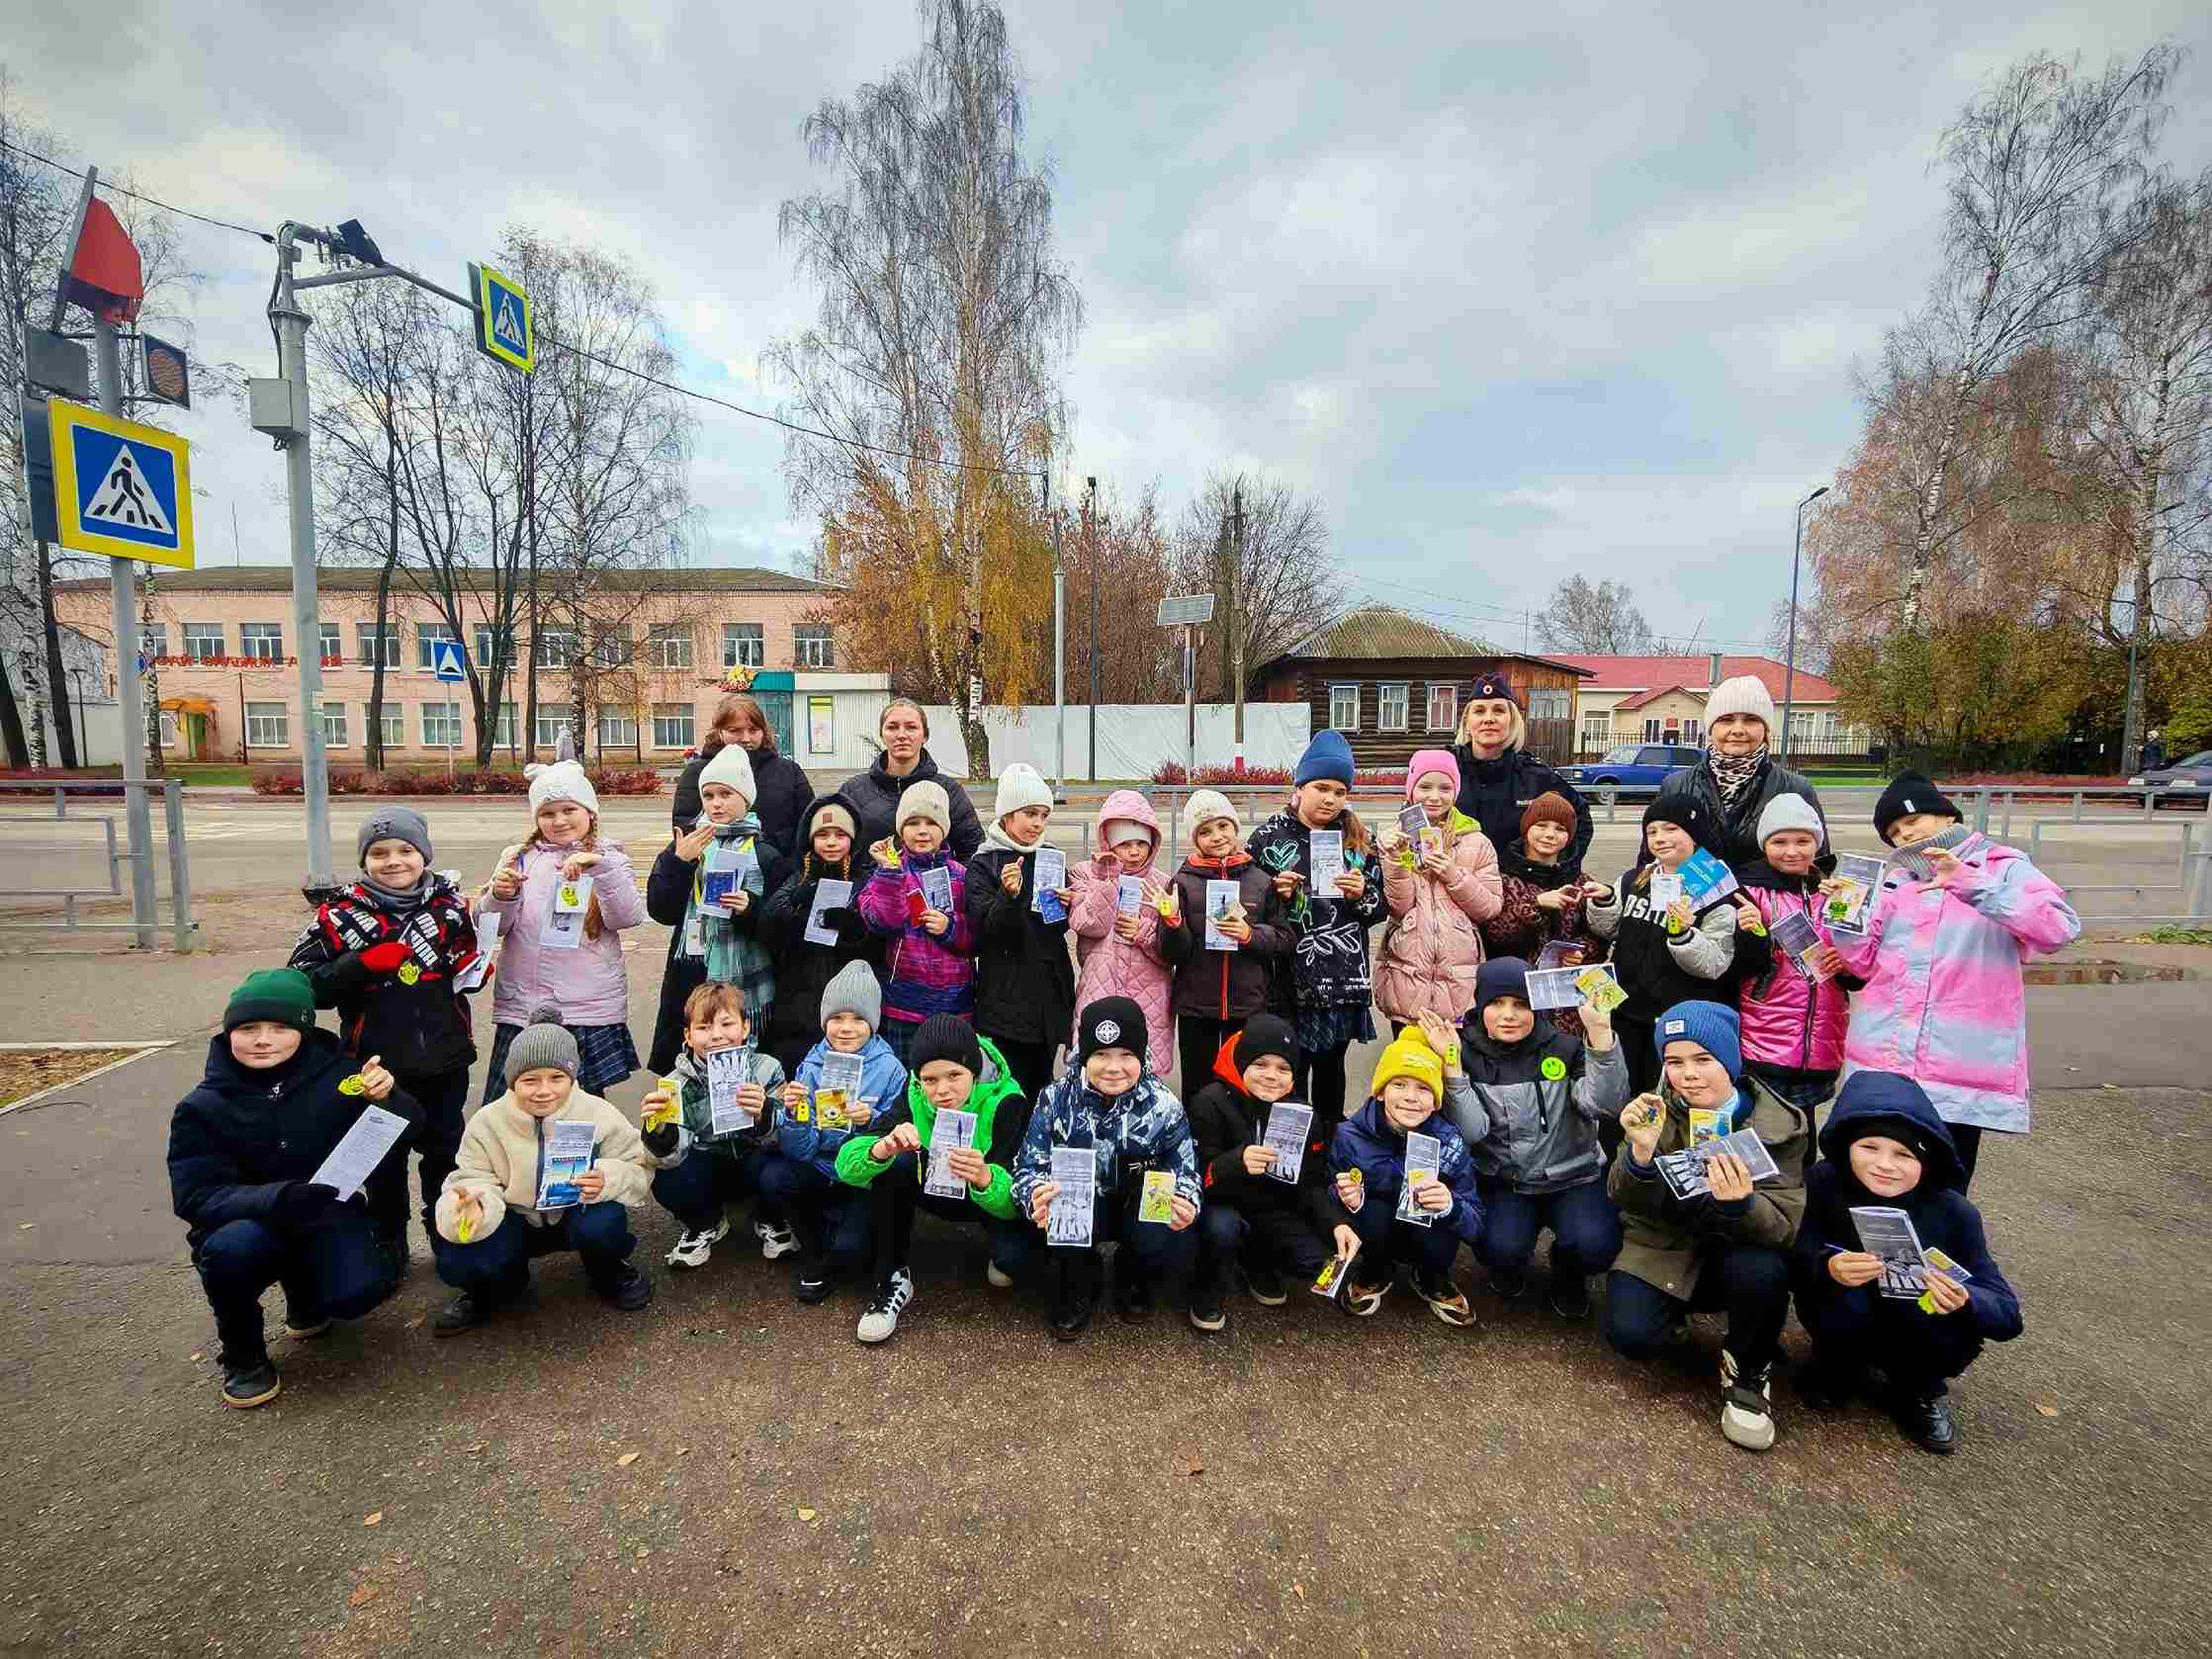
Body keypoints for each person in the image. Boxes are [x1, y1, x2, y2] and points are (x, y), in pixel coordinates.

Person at [168, 970, 419, 1408]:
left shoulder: (345, 1075)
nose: (263, 1039)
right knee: (231, 1252)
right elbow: (196, 1196)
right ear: (229, 1033)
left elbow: (412, 1132)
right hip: (244, 1224)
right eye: (248, 1028)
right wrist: (278, 1197)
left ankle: (306, 1296)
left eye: (280, 1027)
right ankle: (243, 1355)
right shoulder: (201, 1105)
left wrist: (390, 1097)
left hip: (325, 1213)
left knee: (361, 1291)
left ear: (303, 1029)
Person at [1831, 773, 2079, 1186]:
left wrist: (1970, 883)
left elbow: (2056, 929)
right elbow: (1861, 965)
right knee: (1874, 1184)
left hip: (1956, 1063)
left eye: (1913, 819)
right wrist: (1843, 916)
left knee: (1943, 1188)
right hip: (1883, 1060)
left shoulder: (2002, 866)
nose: (1905, 833)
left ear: (1947, 815)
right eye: (1892, 831)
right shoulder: (1894, 882)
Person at [1602, 1002, 1810, 1453]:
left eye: (1703, 1059)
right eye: (1674, 1062)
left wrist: (1743, 1205)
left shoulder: (1778, 1125)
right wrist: (1638, 1156)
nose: (1688, 1074)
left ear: (1730, 1062)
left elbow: (1785, 1228)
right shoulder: (1655, 1110)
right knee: (1631, 1335)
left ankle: (1750, 1372)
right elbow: (1621, 1198)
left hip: (1738, 1252)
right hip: (1666, 1245)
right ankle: (1673, 1312)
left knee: (1763, 1270)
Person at [1792, 1071, 2024, 1455]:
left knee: (1946, 1318)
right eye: (1869, 1147)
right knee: (1843, 1298)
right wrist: (1827, 1266)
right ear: (1847, 1145)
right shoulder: (1822, 1184)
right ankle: (1836, 1368)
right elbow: (1793, 1255)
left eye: (1904, 1154)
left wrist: (1967, 1299)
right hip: (1845, 1314)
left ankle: (1917, 1390)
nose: (1885, 1164)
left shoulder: (1955, 1212)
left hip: (1918, 1325)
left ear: (1927, 1159)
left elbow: (2008, 1315)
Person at [287, 806, 479, 1252]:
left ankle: (446, 1234)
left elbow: (469, 956)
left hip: (445, 1057)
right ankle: (390, 1244)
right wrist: (359, 964)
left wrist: (473, 968)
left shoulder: (450, 907)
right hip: (375, 1065)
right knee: (384, 1160)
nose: (394, 861)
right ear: (364, 860)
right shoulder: (338, 915)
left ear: (423, 855)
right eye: (379, 853)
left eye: (406, 850)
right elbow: (304, 986)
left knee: (444, 1153)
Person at [430, 1006, 680, 1336]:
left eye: (557, 1078)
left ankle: (605, 1270)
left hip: (574, 1212)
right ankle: (495, 1287)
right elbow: (470, 1179)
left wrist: (605, 1177)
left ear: (573, 1076)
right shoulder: (487, 1121)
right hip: (514, 1218)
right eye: (530, 1080)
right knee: (457, 1254)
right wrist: (474, 1206)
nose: (544, 1090)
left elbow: (638, 1164)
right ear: (512, 1080)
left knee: (603, 1221)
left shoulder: (596, 1111)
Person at [835, 1015, 1036, 1343]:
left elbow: (1019, 1196)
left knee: (1015, 1261)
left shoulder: (1008, 1101)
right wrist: (881, 1148)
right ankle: (893, 1278)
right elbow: (845, 1166)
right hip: (928, 1187)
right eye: (930, 1079)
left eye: (954, 1075)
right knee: (894, 1164)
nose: (942, 1090)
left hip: (982, 1200)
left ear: (973, 1069)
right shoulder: (913, 1093)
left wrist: (985, 1178)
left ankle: (998, 1253)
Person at [1013, 998, 1201, 1340]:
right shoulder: (1054, 1098)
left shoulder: (1165, 1105)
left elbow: (1185, 1168)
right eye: (1101, 1054)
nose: (1113, 1067)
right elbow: (1028, 1166)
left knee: (1162, 1231)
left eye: (1126, 1055)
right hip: (1083, 1205)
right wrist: (1034, 1196)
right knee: (1058, 1210)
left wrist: (1186, 1199)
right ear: (1084, 1056)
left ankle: (1133, 1274)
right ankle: (1080, 1282)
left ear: (1140, 1056)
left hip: (1138, 1203)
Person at [1448, 960, 1628, 1318]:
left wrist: (1601, 1037)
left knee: (1597, 1246)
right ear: (1480, 1006)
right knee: (1499, 1246)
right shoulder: (1462, 1051)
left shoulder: (1566, 1046)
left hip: (1575, 1177)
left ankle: (1568, 1270)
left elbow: (1606, 1105)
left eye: (1521, 1005)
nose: (1509, 1015)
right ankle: (1511, 1263)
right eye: (1496, 1004)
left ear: (1538, 1008)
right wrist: (1453, 1071)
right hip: (1507, 1180)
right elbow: (1472, 1132)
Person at [478, 761, 647, 1101]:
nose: (559, 821)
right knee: (511, 1106)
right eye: (547, 813)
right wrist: (501, 895)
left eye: (569, 809)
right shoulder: (517, 857)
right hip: (522, 1006)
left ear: (590, 812)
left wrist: (600, 869)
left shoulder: (609, 857)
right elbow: (491, 925)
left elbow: (628, 916)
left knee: (579, 1114)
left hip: (582, 1007)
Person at [1248, 731, 1386, 1134]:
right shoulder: (1267, 837)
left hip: (1341, 980)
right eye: (1321, 787)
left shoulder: (1359, 840)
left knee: (1331, 1071)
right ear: (1299, 788)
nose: (1330, 799)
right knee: (1292, 1070)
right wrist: (1277, 895)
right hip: (1287, 980)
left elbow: (1379, 910)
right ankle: (1293, 1149)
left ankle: (1329, 1144)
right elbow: (1247, 906)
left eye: (1340, 791)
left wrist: (1363, 893)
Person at [1187, 1014, 1351, 1328]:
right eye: (1260, 1064)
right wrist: (1235, 1162)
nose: (1271, 1076)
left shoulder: (1304, 1114)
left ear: (1293, 1076)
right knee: (1222, 1229)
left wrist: (1337, 1223)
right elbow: (1195, 1174)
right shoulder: (1209, 1102)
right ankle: (1207, 1286)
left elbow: (1310, 1184)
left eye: (1283, 1068)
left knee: (1326, 1257)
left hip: (1273, 1208)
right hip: (1223, 1203)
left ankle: (1258, 1263)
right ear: (1242, 1063)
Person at [1582, 798, 1753, 1096]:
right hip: (1624, 1014)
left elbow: (1714, 963)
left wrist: (1684, 935)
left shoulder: (1717, 892)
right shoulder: (1633, 879)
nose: (1660, 838)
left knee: (1663, 1103)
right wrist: (1606, 900)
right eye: (1652, 831)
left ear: (1694, 834)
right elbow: (1608, 931)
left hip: (1676, 1023)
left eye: (1671, 829)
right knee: (1617, 1098)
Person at [644, 742, 791, 1074]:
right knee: (694, 1065)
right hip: (694, 971)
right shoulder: (687, 845)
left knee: (742, 1071)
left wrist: (750, 909)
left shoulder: (766, 853)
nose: (716, 803)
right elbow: (661, 910)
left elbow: (781, 925)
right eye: (709, 795)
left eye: (725, 794)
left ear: (745, 799)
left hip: (747, 984)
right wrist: (679, 863)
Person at [771, 961, 906, 1305]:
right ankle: (817, 1255)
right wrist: (795, 1113)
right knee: (779, 1177)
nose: (846, 1028)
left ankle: (843, 1245)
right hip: (820, 1164)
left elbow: (897, 1133)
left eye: (859, 1019)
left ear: (874, 1024)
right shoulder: (811, 1064)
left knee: (852, 1250)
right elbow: (800, 1150)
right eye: (837, 1018)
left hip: (862, 1173)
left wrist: (870, 1119)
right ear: (824, 1021)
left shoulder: (891, 1069)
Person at [1329, 1025, 1483, 1325]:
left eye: (1424, 1088)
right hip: (1379, 1226)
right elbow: (1328, 1193)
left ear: (1437, 1100)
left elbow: (1476, 1224)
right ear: (1380, 1092)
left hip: (1428, 1234)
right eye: (1399, 1084)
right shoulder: (1349, 1135)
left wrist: (1451, 1205)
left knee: (1437, 1213)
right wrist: (1346, 1197)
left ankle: (1432, 1276)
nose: (1411, 1097)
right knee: (1368, 1210)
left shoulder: (1450, 1139)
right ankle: (1375, 1270)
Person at [643, 982, 793, 1272]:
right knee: (666, 1179)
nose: (717, 1036)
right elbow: (671, 1157)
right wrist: (660, 1130)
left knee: (781, 1168)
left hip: (752, 1158)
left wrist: (763, 1114)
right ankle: (705, 1222)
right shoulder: (676, 1083)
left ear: (746, 1027)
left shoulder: (767, 1068)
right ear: (687, 1035)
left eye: (727, 1024)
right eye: (703, 1027)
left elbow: (783, 1139)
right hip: (707, 1163)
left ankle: (769, 1217)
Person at [1732, 794, 1853, 1142]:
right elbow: (1739, 968)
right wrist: (1753, 933)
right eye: (1779, 841)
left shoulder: (1837, 892)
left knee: (1805, 1138)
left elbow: (1859, 970)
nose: (1791, 851)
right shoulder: (1749, 892)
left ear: (1817, 843)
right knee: (1763, 1135)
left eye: (1803, 841)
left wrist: (1845, 963)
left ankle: (1803, 1196)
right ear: (1764, 844)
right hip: (1764, 1037)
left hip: (1821, 1043)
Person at [1156, 790, 1288, 1096]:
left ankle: (1238, 1142)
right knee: (1197, 1087)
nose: (1216, 836)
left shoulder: (1261, 881)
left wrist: (1250, 935)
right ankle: (1198, 1141)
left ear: (1235, 828)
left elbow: (1284, 940)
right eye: (1205, 831)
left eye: (1223, 826)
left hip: (1247, 1004)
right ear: (1194, 838)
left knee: (1241, 1084)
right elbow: (1171, 952)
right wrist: (1173, 923)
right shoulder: (1182, 882)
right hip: (1196, 1006)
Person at [964, 763, 1077, 1101]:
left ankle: (1037, 1154)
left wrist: (1067, 907)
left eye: (1044, 815)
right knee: (1004, 1093)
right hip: (1003, 1003)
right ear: (1008, 815)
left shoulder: (1051, 858)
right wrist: (1008, 897)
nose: (1038, 823)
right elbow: (985, 933)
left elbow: (1056, 929)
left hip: (1047, 1001)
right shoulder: (984, 864)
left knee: (1041, 1088)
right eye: (1030, 814)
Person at [755, 791, 885, 1077]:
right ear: (810, 838)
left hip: (848, 1011)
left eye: (839, 834)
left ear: (853, 838)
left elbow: (880, 940)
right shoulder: (796, 877)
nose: (830, 842)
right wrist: (798, 911)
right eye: (823, 834)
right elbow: (767, 929)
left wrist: (854, 930)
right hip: (797, 1009)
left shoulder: (867, 880)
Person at [1373, 747, 1503, 1030]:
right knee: (1410, 1070)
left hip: (1460, 984)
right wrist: (1395, 860)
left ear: (1455, 792)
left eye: (1445, 788)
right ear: (1411, 790)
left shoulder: (1476, 841)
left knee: (1454, 1069)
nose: (1434, 796)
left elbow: (1490, 908)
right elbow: (1400, 907)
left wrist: (1453, 875)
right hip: (1407, 979)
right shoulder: (1397, 838)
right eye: (1425, 786)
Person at [855, 780, 977, 1062]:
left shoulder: (961, 875)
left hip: (954, 1004)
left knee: (948, 1085)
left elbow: (978, 936)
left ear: (944, 829)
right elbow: (881, 921)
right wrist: (889, 873)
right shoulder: (888, 870)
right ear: (900, 830)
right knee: (906, 1085)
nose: (922, 831)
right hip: (904, 1005)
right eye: (913, 823)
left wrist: (951, 928)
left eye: (931, 823)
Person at [1653, 675, 1824, 868]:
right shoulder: (1676, 785)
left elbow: (1817, 865)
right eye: (1726, 720)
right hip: (1689, 897)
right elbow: (1652, 860)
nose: (1738, 730)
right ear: (1711, 728)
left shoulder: (1795, 788)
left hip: (1766, 898)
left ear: (1766, 730)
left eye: (1751, 720)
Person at [1067, 789, 1173, 1077]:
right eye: (1125, 844)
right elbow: (1089, 924)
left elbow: (1172, 951)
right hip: (1099, 983)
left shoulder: (1163, 884)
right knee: (1095, 1070)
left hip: (1149, 990)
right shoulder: (1084, 873)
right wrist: (1108, 878)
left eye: (1142, 843)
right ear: (1109, 843)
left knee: (1143, 1072)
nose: (1135, 851)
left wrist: (1145, 932)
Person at [1451, 670, 1593, 862]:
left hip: (1519, 888)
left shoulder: (1535, 777)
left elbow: (1580, 817)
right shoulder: (1445, 770)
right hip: (1452, 885)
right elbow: (1413, 820)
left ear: (1512, 721)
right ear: (1467, 722)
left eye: (1499, 710)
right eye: (1479, 710)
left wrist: (1558, 869)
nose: (1489, 719)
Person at [669, 692, 813, 857]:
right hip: (713, 870)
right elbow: (685, 825)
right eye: (734, 730)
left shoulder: (789, 771)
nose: (746, 738)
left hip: (779, 871)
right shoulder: (697, 772)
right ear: (720, 732)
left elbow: (807, 823)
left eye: (753, 730)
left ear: (763, 731)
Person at [843, 698, 984, 860]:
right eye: (892, 727)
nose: (902, 735)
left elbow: (973, 853)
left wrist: (954, 882)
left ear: (925, 735)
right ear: (881, 735)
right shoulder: (853, 791)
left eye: (911, 727)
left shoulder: (949, 790)